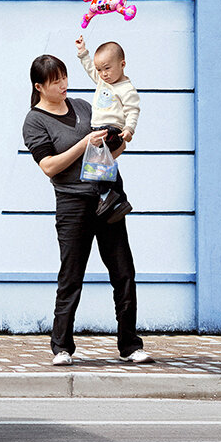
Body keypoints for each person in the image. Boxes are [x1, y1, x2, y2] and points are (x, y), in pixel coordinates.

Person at [22, 53, 152, 366]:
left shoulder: (83, 105)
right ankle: (62, 346)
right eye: (55, 82)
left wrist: (120, 138)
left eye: (64, 77)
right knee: (71, 276)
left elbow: (108, 153)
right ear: (39, 86)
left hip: (106, 197)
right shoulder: (35, 121)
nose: (63, 85)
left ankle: (130, 345)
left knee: (123, 272)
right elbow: (50, 166)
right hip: (72, 203)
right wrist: (84, 144)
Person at [75, 35, 140, 222]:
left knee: (95, 163)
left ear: (122, 64)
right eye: (100, 70)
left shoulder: (126, 89)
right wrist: (82, 53)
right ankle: (119, 200)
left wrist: (129, 129)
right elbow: (90, 69)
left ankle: (106, 195)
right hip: (98, 130)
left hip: (112, 130)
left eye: (107, 68)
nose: (103, 74)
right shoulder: (103, 82)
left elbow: (133, 110)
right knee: (106, 163)